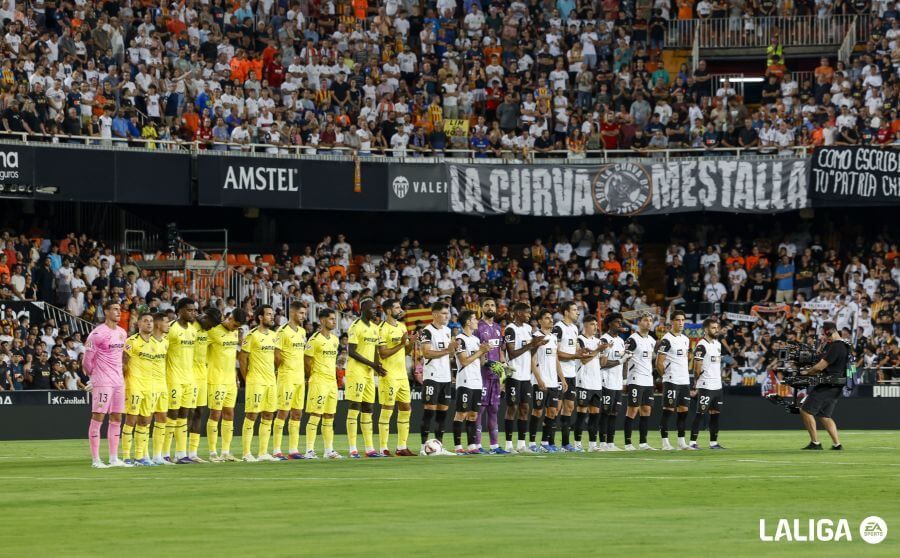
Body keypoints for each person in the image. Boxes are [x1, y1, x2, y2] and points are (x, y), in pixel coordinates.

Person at [83, 300, 129, 468]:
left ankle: (114, 458)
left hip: (118, 381)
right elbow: (87, 360)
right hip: (103, 380)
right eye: (115, 309)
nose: (119, 312)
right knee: (98, 416)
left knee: (117, 417)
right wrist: (93, 377)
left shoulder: (123, 333)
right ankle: (96, 460)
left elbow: (121, 356)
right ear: (106, 312)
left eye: (120, 309)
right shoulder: (97, 334)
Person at [503, 303, 546, 452]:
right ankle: (509, 445)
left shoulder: (528, 329)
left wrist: (537, 345)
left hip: (525, 376)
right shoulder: (510, 329)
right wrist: (531, 344)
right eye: (527, 313)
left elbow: (529, 352)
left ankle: (521, 444)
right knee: (512, 407)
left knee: (525, 408)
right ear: (519, 313)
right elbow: (512, 353)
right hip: (513, 374)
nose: (529, 315)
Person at [345, 298, 385, 458]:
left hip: (369, 374)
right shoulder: (356, 327)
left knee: (369, 408)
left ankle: (369, 448)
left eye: (376, 308)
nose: (375, 311)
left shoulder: (375, 328)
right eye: (372, 308)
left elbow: (374, 351)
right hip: (356, 372)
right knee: (355, 406)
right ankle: (353, 448)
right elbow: (352, 351)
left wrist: (378, 366)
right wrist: (372, 365)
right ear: (363, 309)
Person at [799, 321, 848, 450]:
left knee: (805, 410)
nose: (823, 336)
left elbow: (820, 366)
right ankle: (837, 444)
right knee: (824, 416)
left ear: (828, 332)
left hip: (828, 384)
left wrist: (807, 372)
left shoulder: (836, 346)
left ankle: (815, 443)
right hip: (837, 385)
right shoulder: (845, 345)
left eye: (824, 333)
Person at [239, 305, 280, 462]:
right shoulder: (251, 336)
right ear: (260, 317)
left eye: (272, 314)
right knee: (252, 414)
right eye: (268, 314)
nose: (271, 316)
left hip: (270, 380)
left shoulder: (274, 335)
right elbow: (242, 358)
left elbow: (275, 358)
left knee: (268, 415)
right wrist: (247, 378)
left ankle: (263, 452)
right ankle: (246, 453)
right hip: (256, 380)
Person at [376, 299, 416, 456]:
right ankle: (383, 448)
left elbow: (405, 352)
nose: (400, 310)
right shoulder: (382, 329)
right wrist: (400, 344)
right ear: (388, 311)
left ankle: (401, 447)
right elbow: (383, 353)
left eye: (400, 307)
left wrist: (410, 343)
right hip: (389, 374)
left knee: (406, 408)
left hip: (402, 375)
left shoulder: (401, 326)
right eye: (397, 307)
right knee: (387, 409)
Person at [206, 309, 246, 462]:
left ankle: (225, 452)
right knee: (215, 414)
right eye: (234, 325)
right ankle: (212, 453)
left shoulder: (235, 333)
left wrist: (236, 375)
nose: (235, 328)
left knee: (229, 414)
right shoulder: (213, 331)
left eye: (238, 327)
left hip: (230, 380)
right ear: (229, 318)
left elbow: (231, 355)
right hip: (216, 379)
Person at [121, 312, 161, 466]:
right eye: (145, 321)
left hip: (150, 386)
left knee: (145, 421)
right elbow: (124, 363)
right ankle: (126, 457)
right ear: (139, 324)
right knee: (131, 419)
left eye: (151, 321)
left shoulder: (156, 343)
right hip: (134, 385)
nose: (149, 324)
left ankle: (140, 457)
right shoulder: (131, 341)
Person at [418, 302, 456, 455]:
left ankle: (439, 446)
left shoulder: (447, 331)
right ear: (434, 314)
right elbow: (426, 353)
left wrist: (452, 351)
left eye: (447, 313)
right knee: (429, 412)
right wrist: (447, 350)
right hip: (432, 376)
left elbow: (449, 355)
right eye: (443, 313)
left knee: (442, 414)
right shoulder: (427, 331)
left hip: (445, 377)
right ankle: (422, 447)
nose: (446, 316)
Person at [304, 308, 343, 459]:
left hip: (331, 382)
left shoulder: (335, 339)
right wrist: (311, 377)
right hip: (319, 381)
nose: (334, 321)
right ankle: (309, 450)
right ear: (322, 320)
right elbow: (307, 362)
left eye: (335, 319)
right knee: (316, 414)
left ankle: (329, 450)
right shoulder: (314, 340)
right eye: (331, 319)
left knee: (329, 415)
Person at [452, 310, 491, 454]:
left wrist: (484, 351)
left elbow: (480, 363)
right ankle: (457, 447)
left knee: (473, 414)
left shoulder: (475, 339)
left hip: (476, 381)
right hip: (465, 381)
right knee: (461, 413)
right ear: (468, 322)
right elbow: (464, 361)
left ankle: (472, 445)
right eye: (474, 319)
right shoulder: (460, 339)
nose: (477, 321)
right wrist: (480, 352)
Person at [273, 301, 308, 460]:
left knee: (297, 413)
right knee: (283, 412)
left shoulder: (302, 331)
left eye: (304, 313)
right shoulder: (282, 331)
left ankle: (293, 450)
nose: (304, 316)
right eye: (301, 313)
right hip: (287, 377)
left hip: (299, 377)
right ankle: (276, 450)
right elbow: (277, 354)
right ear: (293, 313)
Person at [164, 298, 197, 464]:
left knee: (185, 415)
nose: (193, 313)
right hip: (173, 377)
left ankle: (181, 453)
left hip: (189, 377)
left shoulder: (193, 329)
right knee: (172, 414)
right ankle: (164, 453)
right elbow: (162, 352)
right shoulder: (170, 328)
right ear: (180, 311)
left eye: (194, 310)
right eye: (190, 310)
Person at [530, 309, 567, 453]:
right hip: (540, 381)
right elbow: (531, 359)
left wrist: (562, 378)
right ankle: (532, 443)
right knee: (538, 412)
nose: (550, 320)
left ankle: (545, 443)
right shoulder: (536, 337)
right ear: (540, 321)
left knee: (552, 412)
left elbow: (556, 359)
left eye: (551, 318)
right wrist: (539, 378)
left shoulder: (552, 338)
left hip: (553, 382)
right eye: (546, 318)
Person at [474, 298, 508, 454]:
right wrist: (485, 363)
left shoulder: (497, 328)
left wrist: (503, 377)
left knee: (494, 409)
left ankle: (494, 446)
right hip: (481, 376)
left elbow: (501, 353)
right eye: (487, 305)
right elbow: (476, 352)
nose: (490, 307)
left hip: (495, 377)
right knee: (479, 410)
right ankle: (477, 445)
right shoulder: (477, 328)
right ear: (481, 308)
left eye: (492, 305)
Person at [187, 308, 221, 463]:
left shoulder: (208, 331)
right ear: (205, 317)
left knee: (199, 412)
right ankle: (178, 451)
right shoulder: (189, 327)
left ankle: (193, 452)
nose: (211, 327)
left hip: (202, 376)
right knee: (184, 413)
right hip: (187, 374)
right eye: (211, 324)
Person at [656, 310, 692, 450]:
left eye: (683, 320)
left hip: (684, 380)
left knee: (683, 411)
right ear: (672, 322)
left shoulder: (685, 339)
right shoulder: (667, 339)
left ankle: (682, 442)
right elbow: (659, 362)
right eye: (678, 320)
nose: (681, 322)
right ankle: (665, 443)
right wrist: (666, 376)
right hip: (671, 380)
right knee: (668, 410)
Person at [623, 313, 657, 451]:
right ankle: (628, 443)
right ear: (639, 322)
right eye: (645, 320)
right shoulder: (632, 339)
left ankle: (643, 443)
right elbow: (624, 360)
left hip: (648, 380)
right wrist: (624, 380)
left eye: (650, 320)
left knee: (646, 410)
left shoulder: (652, 340)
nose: (648, 323)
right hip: (635, 379)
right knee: (632, 410)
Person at [690, 318, 725, 450]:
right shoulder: (701, 346)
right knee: (700, 413)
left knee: (715, 415)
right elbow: (697, 367)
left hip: (718, 386)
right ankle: (692, 443)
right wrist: (696, 384)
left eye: (717, 327)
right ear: (706, 329)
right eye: (713, 328)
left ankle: (713, 443)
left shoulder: (717, 344)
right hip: (706, 385)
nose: (716, 330)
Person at [574, 316, 607, 452]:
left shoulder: (598, 341)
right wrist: (598, 350)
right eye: (592, 324)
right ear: (585, 325)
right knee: (581, 413)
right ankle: (577, 444)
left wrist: (604, 353)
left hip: (596, 383)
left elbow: (602, 364)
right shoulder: (580, 340)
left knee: (595, 414)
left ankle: (593, 444)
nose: (595, 327)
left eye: (596, 324)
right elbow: (584, 360)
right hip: (583, 381)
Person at [552, 300, 582, 452]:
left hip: (571, 373)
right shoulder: (558, 328)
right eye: (574, 309)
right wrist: (575, 356)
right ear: (566, 312)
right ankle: (549, 442)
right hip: (559, 373)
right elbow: (555, 352)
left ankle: (565, 444)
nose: (577, 312)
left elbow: (575, 348)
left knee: (569, 407)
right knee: (555, 408)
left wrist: (582, 352)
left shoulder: (575, 328)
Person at [598, 313, 627, 451]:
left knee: (614, 413)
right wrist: (620, 361)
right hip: (606, 380)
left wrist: (625, 379)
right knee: (605, 412)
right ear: (609, 323)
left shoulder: (621, 341)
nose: (620, 324)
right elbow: (601, 364)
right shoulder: (604, 340)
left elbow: (624, 361)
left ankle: (611, 443)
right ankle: (602, 443)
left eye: (620, 322)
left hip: (617, 381)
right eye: (617, 322)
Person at [149, 313, 174, 465]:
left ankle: (157, 456)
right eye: (166, 322)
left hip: (162, 384)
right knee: (144, 420)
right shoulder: (146, 341)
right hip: (148, 384)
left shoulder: (165, 342)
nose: (169, 325)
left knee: (162, 418)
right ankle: (142, 455)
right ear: (158, 325)